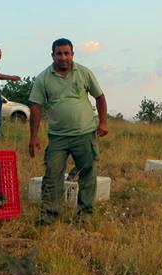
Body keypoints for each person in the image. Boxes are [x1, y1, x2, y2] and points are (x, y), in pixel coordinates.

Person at [28, 38, 109, 223]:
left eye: (66, 53)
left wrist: (103, 122)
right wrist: (33, 138)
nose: (63, 57)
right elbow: (35, 108)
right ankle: (49, 214)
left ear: (72, 54)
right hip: (58, 137)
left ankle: (85, 215)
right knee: (52, 175)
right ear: (52, 55)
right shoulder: (43, 78)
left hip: (85, 134)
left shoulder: (84, 73)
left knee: (88, 174)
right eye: (59, 53)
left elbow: (100, 97)